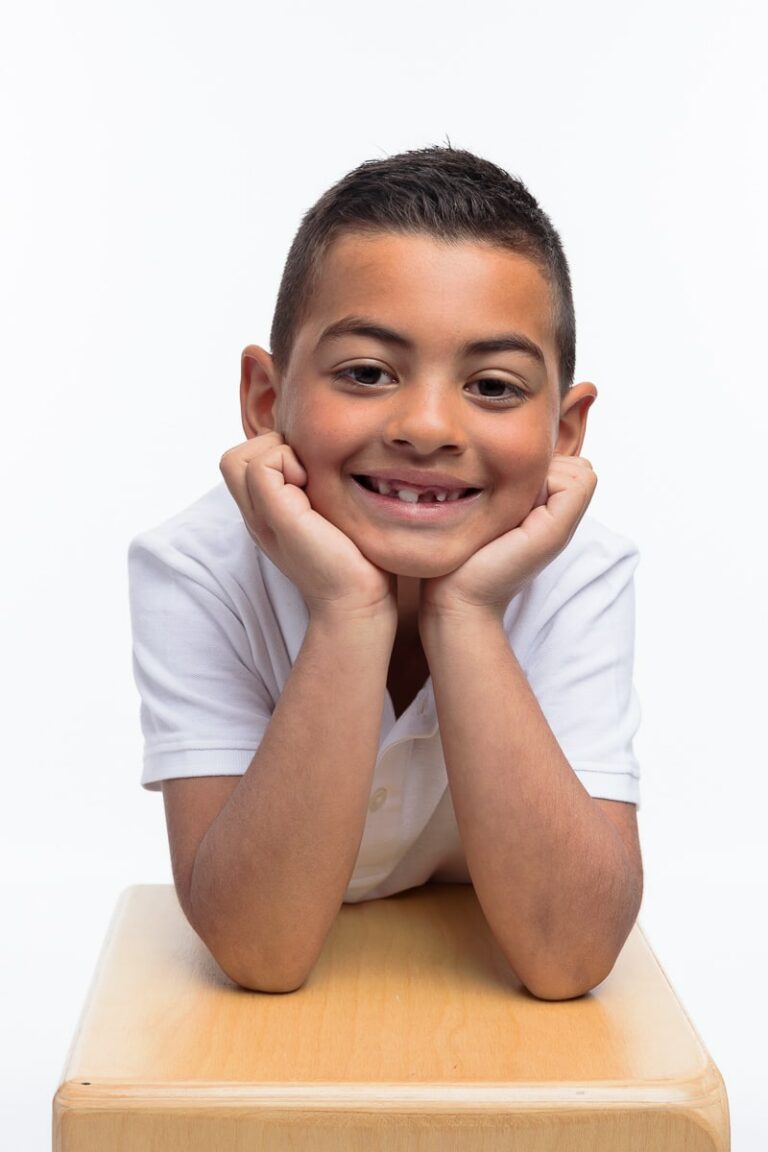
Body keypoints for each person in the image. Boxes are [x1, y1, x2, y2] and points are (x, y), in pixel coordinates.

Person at [128, 145, 643, 1000]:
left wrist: (469, 613)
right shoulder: (195, 567)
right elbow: (260, 950)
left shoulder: (579, 571)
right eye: (366, 373)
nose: (429, 426)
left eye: (494, 386)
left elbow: (570, 957)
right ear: (266, 399)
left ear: (565, 429)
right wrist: (349, 611)